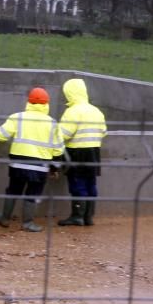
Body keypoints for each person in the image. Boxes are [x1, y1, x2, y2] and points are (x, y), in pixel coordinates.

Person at [0, 87, 65, 232]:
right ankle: (27, 223)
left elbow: (0, 135)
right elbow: (58, 149)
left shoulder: (17, 117)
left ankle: (4, 218)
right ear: (47, 104)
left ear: (29, 102)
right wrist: (54, 168)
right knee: (33, 194)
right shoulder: (52, 123)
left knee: (13, 190)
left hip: (18, 165)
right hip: (40, 167)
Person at [57, 78, 107, 226]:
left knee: (78, 184)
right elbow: (103, 131)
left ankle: (77, 216)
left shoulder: (72, 112)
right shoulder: (96, 111)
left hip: (76, 152)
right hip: (94, 152)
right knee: (91, 184)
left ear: (69, 93)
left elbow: (63, 134)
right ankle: (88, 216)